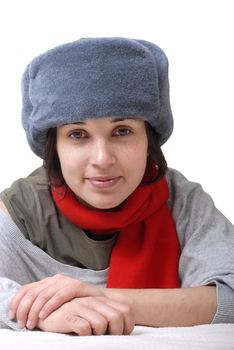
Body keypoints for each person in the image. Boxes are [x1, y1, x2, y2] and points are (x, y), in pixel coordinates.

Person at [0, 37, 233, 336]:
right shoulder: (22, 210)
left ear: (148, 138)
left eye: (122, 131)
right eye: (77, 134)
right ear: (54, 147)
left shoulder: (183, 203)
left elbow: (230, 299)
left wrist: (100, 298)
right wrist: (44, 314)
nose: (102, 158)